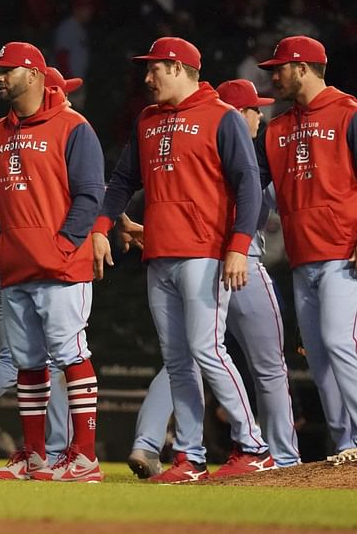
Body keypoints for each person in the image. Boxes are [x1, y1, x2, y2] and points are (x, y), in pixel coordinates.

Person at [92, 37, 272, 483]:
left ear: (177, 68)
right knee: (177, 360)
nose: (147, 78)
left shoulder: (222, 117)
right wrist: (100, 228)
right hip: (160, 254)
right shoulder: (148, 120)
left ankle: (254, 447)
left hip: (206, 252)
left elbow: (248, 185)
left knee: (207, 350)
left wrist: (238, 246)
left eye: (154, 69)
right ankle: (189, 457)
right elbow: (121, 181)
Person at [0, 42, 106, 482]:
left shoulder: (74, 127)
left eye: (7, 70)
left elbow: (92, 193)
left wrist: (65, 244)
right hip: (14, 266)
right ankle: (35, 456)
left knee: (71, 356)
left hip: (59, 267)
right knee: (30, 364)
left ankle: (85, 458)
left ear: (33, 74)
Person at [125, 78, 300, 478]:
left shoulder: (226, 140)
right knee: (249, 362)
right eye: (255, 109)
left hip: (214, 256)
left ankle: (155, 443)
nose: (260, 115)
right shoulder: (228, 136)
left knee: (191, 356)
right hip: (234, 261)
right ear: (241, 114)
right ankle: (265, 452)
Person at [255, 36, 357, 461]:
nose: (273, 76)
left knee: (339, 343)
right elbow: (251, 188)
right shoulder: (278, 127)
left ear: (303, 67)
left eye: (279, 68)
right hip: (302, 258)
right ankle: (346, 443)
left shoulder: (348, 113)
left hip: (343, 252)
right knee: (317, 355)